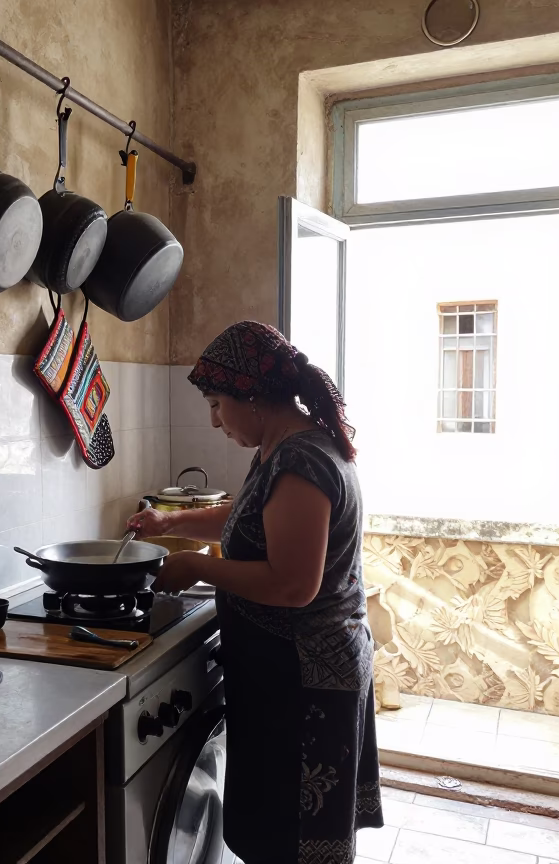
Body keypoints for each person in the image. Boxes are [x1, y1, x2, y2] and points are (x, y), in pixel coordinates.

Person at [127, 320, 382, 864]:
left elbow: (293, 584)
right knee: (280, 838)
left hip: (303, 680)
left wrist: (197, 567)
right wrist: (164, 521)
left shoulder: (301, 461)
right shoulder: (283, 448)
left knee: (290, 843)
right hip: (287, 672)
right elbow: (245, 521)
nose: (215, 421)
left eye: (218, 404)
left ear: (254, 398)